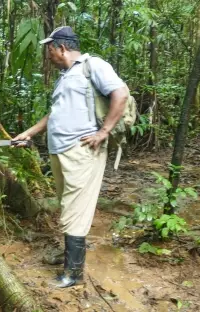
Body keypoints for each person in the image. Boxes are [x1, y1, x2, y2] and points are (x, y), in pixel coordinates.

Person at [13, 26, 128, 288]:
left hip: (82, 150)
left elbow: (119, 94)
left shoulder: (93, 65)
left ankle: (73, 274)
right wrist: (28, 133)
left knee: (77, 208)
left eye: (49, 50)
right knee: (67, 204)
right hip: (60, 150)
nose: (48, 56)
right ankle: (70, 256)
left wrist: (103, 132)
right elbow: (55, 113)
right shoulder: (65, 76)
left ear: (61, 48)